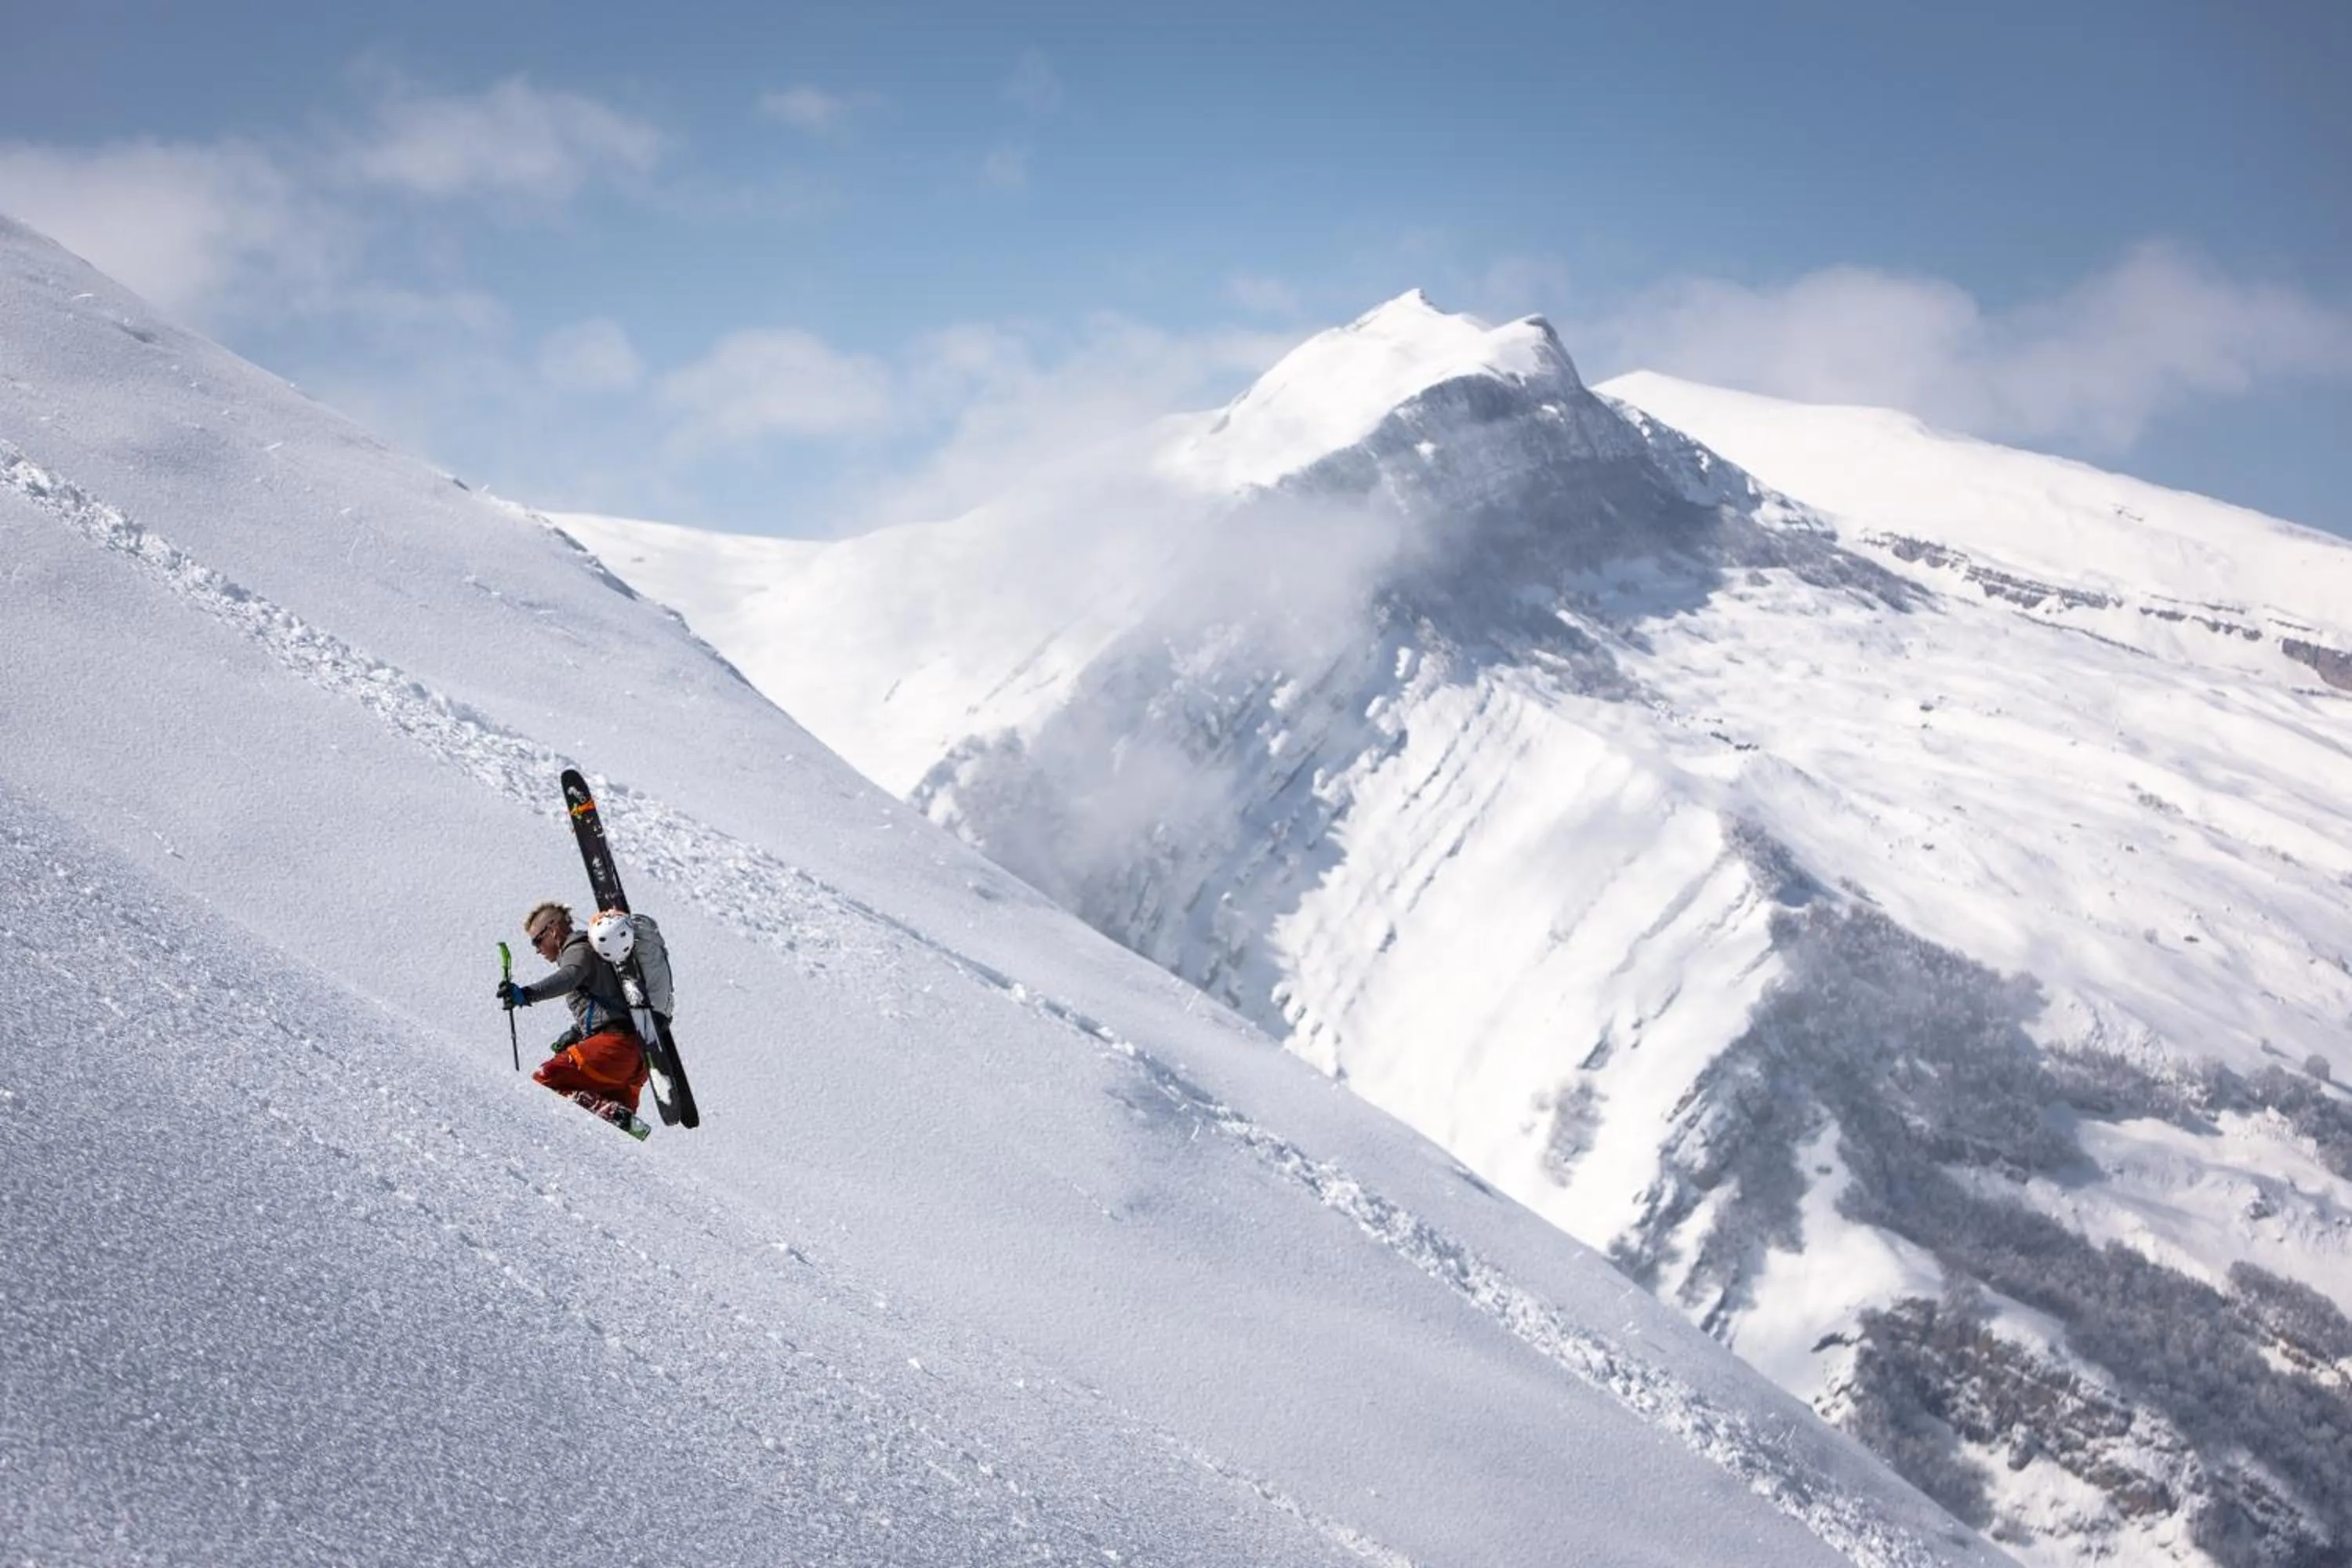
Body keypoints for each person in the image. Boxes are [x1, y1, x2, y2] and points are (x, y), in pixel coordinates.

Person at [497, 900, 649, 1116]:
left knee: (545, 1078)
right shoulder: (596, 954)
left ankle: (594, 1107)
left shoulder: (577, 947)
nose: (538, 951)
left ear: (553, 930)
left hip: (613, 1048)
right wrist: (576, 1033)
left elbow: (570, 976)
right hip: (635, 1060)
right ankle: (609, 1111)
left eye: (537, 942)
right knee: (612, 1118)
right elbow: (605, 1000)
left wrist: (527, 994)